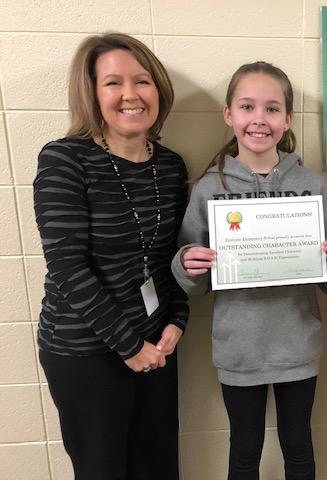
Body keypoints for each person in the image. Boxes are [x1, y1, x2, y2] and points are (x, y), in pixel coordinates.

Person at [171, 61, 327, 480]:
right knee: (244, 451)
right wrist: (186, 264)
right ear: (228, 114)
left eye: (272, 109)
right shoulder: (210, 188)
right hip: (239, 348)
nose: (259, 119)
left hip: (298, 345)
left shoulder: (312, 186)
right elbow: (192, 278)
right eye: (247, 106)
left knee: (299, 448)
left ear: (287, 119)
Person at [34, 33, 188, 480]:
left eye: (142, 81)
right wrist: (128, 345)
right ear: (91, 93)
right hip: (85, 350)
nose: (130, 94)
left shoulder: (170, 166)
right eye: (113, 83)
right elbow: (67, 267)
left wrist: (177, 319)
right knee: (102, 469)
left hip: (155, 346)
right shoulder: (65, 159)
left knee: (158, 466)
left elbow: (171, 257)